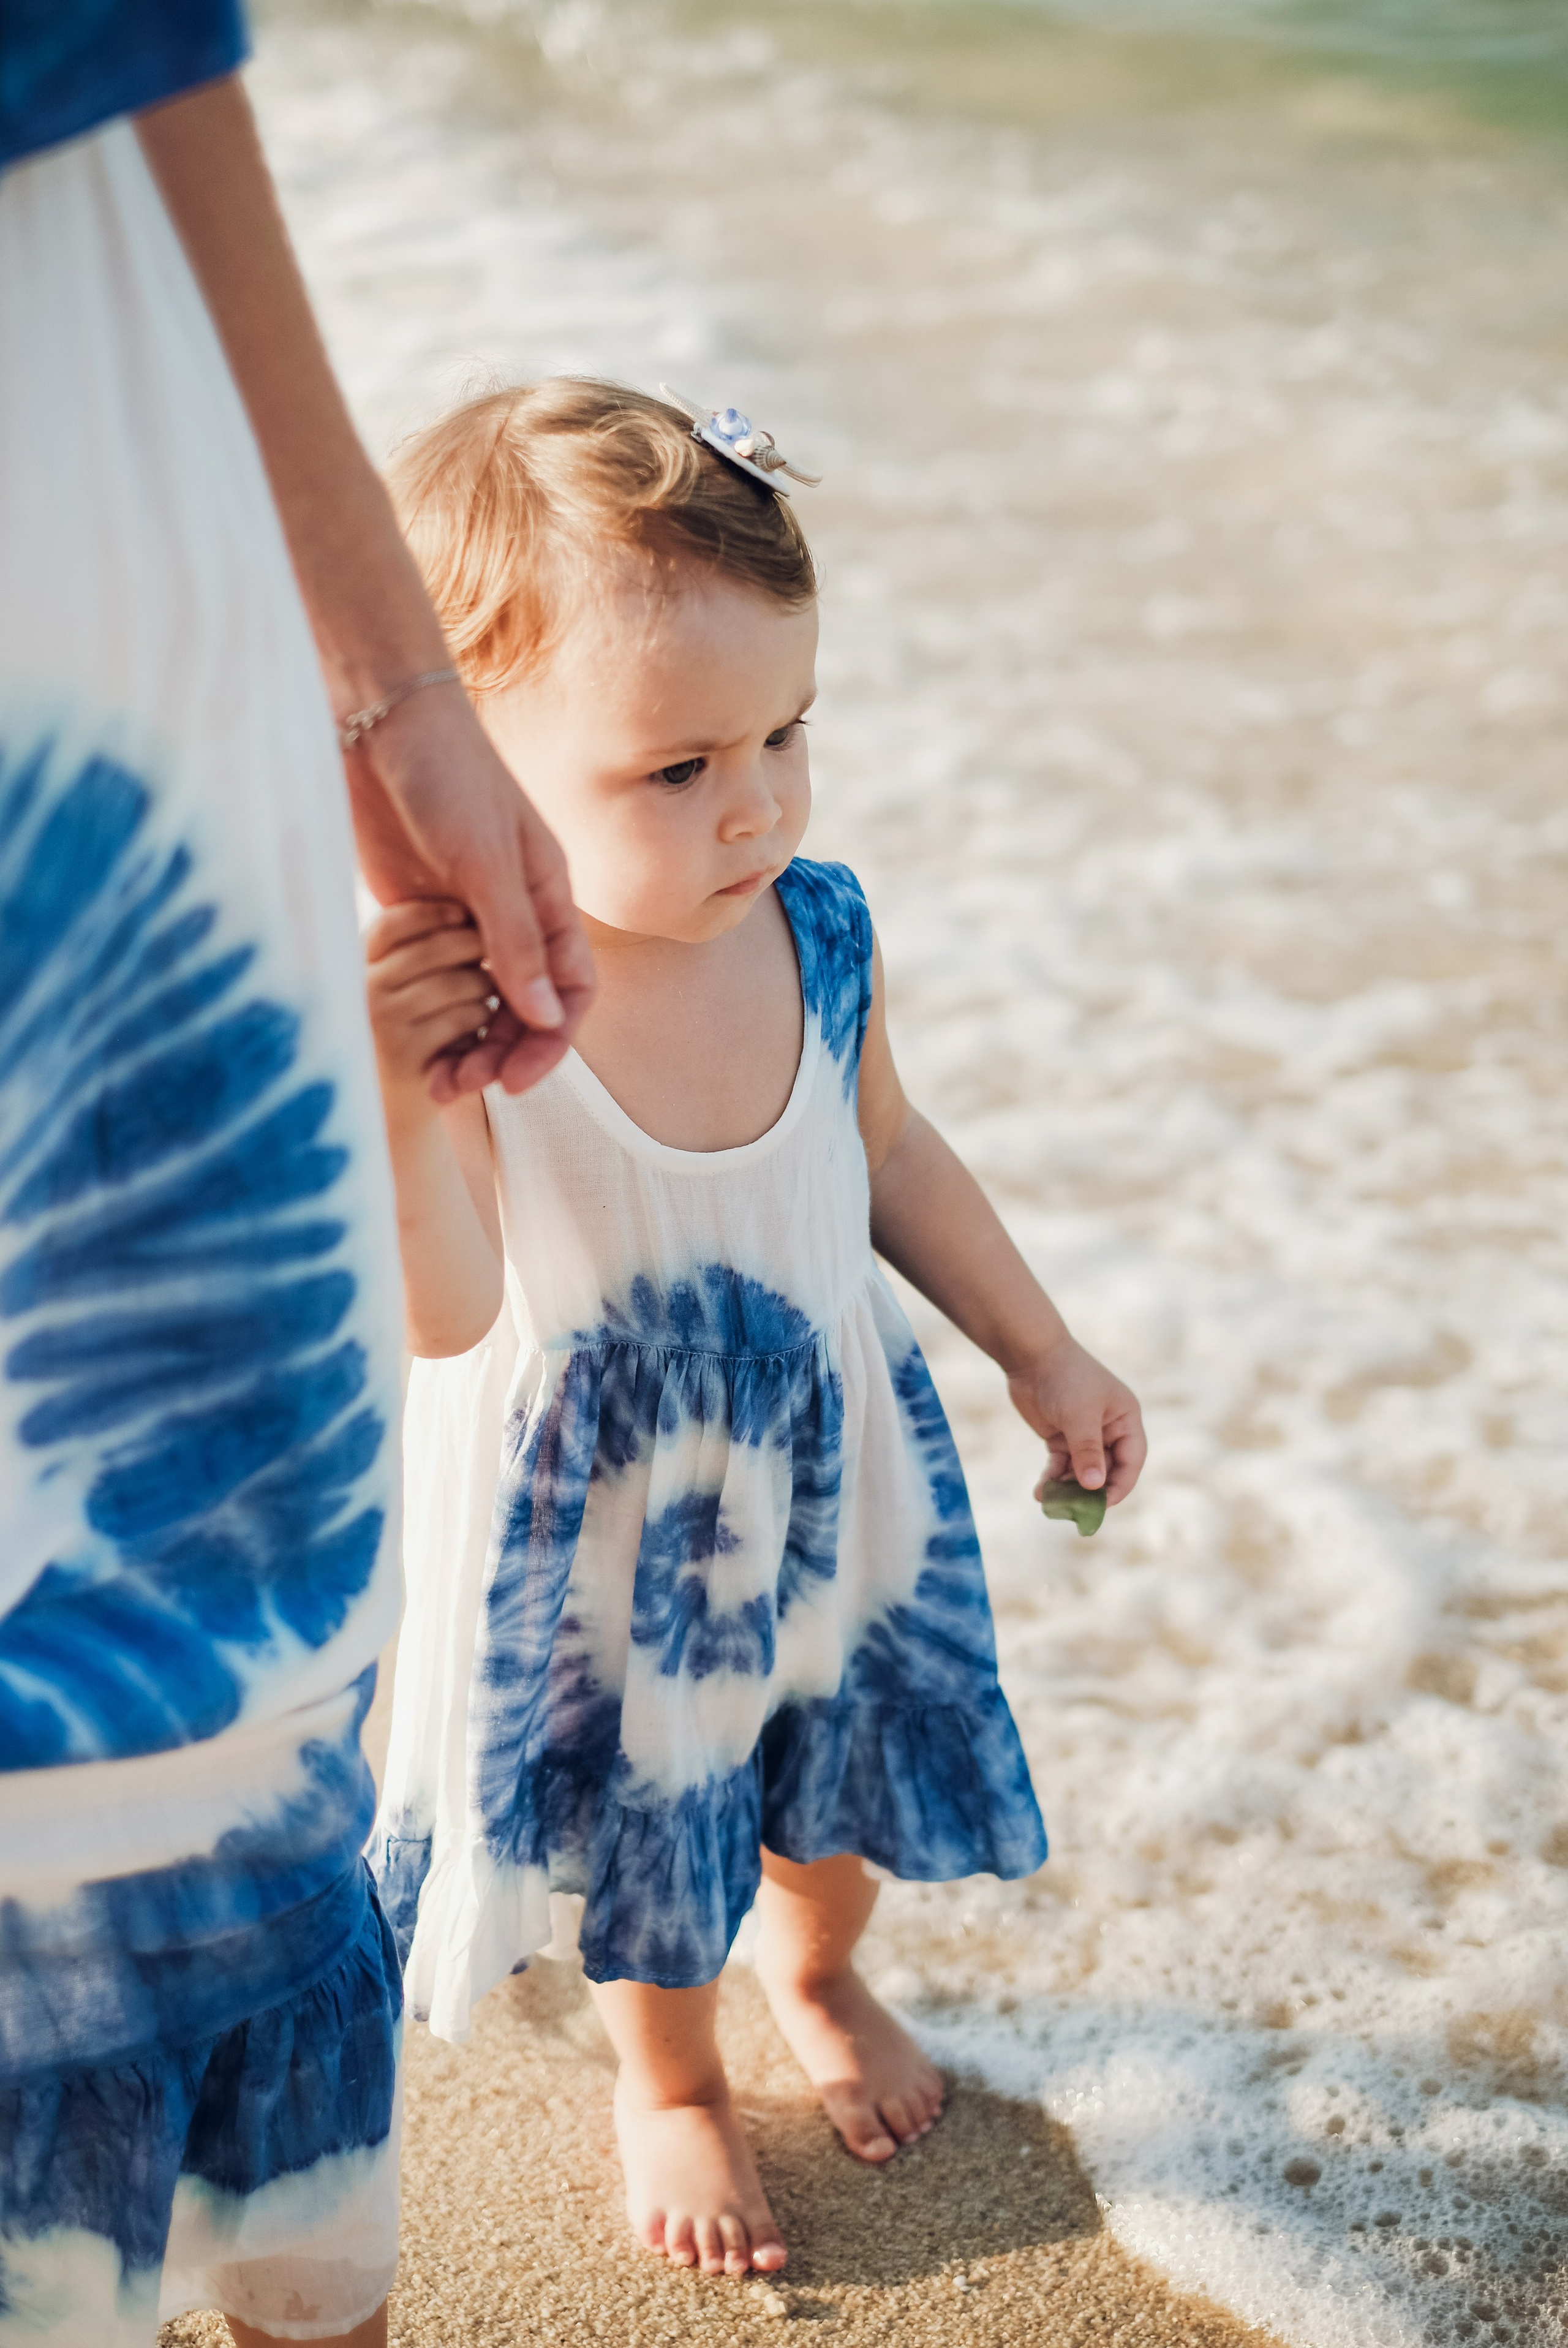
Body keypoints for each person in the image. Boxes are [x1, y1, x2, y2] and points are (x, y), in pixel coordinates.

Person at [367, 379, 1147, 2279]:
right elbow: (451, 1313)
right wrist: (396, 1098)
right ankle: (677, 2076)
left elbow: (891, 1153)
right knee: (659, 1841)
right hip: (626, 1538)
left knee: (838, 1778)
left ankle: (819, 1966)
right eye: (678, 767)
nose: (762, 799)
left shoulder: (820, 928)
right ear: (476, 763)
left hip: (835, 1466)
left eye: (787, 730)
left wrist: (1040, 1347)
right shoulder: (492, 1014)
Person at [0, 12, 592, 2344]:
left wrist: (390, 677)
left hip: (77, 491)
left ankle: (295, 2249)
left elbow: (137, 49)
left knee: (211, 1636)